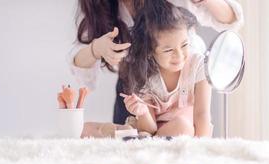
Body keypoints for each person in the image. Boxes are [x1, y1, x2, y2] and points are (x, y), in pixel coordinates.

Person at [68, 0, 243, 125]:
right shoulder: (100, 8)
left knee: (183, 138)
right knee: (131, 155)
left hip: (185, 86)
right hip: (135, 91)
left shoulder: (196, 69)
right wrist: (96, 49)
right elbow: (77, 62)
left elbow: (231, 19)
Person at [120, 0, 212, 137]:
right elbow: (149, 130)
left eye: (184, 44)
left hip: (192, 136)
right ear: (150, 51)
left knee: (184, 127)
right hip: (158, 135)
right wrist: (142, 111)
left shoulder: (198, 64)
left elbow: (202, 114)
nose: (179, 55)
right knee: (180, 128)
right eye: (168, 50)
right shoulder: (146, 75)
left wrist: (201, 149)